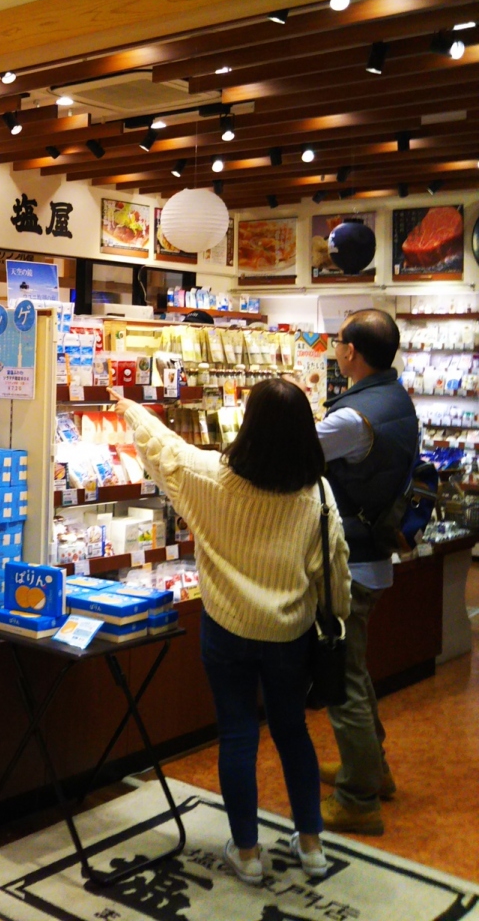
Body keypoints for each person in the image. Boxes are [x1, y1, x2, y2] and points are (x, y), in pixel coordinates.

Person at [117, 379, 350, 885]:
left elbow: (165, 451)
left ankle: (246, 852)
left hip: (225, 629)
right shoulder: (318, 495)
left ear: (248, 426)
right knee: (292, 731)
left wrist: (131, 409)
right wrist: (339, 617)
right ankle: (311, 845)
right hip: (288, 633)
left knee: (238, 734)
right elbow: (332, 573)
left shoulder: (210, 476)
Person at [315, 309, 418, 835]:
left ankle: (358, 799)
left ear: (350, 352)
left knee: (343, 680)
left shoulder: (351, 419)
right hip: (373, 556)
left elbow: (292, 454)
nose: (335, 348)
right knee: (355, 667)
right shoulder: (394, 398)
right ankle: (371, 768)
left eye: (338, 341)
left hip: (349, 564)